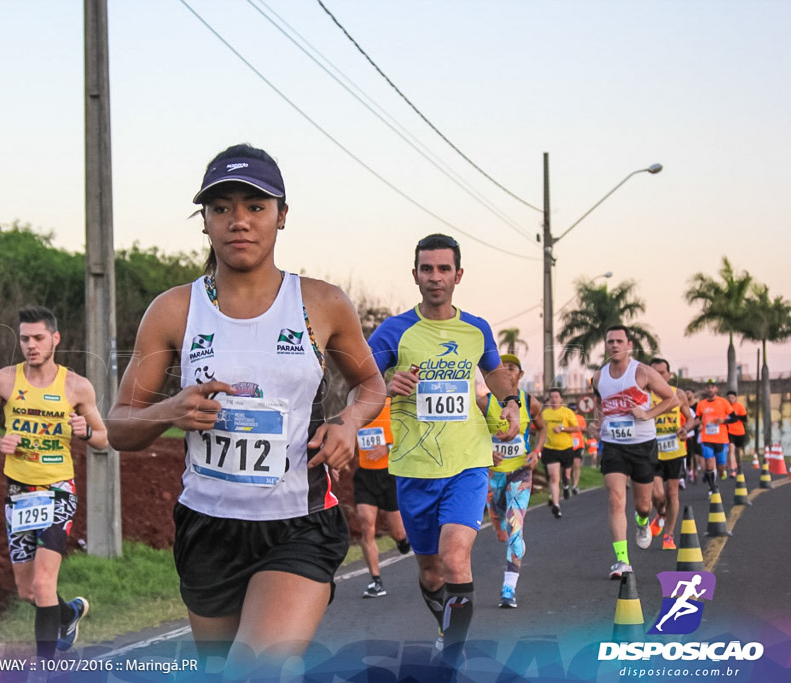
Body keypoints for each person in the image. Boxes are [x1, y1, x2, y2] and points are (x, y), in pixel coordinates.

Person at [105, 144, 386, 671]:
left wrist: (349, 422)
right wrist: (171, 411)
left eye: (255, 206)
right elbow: (119, 426)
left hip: (299, 522)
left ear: (282, 216)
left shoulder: (321, 303)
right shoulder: (174, 309)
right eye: (222, 208)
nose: (239, 221)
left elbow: (370, 384)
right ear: (205, 222)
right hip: (208, 527)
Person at [368, 233, 520, 658]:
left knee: (456, 561)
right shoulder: (393, 330)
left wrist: (510, 403)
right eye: (427, 269)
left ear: (458, 274)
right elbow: (357, 382)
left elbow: (493, 373)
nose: (435, 277)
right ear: (415, 274)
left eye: (444, 269)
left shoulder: (476, 329)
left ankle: (452, 653)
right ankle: (444, 627)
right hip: (414, 468)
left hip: (467, 462)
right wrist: (386, 384)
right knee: (432, 573)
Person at [0, 306, 108, 660]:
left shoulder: (77, 386)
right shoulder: (3, 380)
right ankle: (69, 613)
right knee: (28, 590)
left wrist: (86, 430)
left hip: (58, 490)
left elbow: (104, 439)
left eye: (38, 338)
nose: (31, 345)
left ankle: (44, 669)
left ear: (54, 339)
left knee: (45, 583)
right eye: (25, 339)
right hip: (18, 491)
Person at [590, 325, 677, 579]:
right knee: (616, 499)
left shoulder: (642, 372)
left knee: (642, 505)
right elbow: (599, 404)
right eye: (610, 341)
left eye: (619, 341)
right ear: (606, 346)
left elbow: (671, 398)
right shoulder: (599, 377)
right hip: (613, 445)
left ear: (629, 345)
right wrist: (597, 422)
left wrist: (647, 413)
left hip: (642, 444)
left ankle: (642, 522)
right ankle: (622, 561)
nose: (614, 345)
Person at [478, 353, 546, 609]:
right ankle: (500, 522)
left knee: (515, 528)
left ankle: (508, 590)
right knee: (501, 529)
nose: (507, 371)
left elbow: (543, 428)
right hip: (492, 475)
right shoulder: (484, 402)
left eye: (512, 368)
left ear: (520, 374)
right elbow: (469, 430)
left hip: (520, 471)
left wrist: (536, 451)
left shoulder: (530, 402)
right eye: (502, 368)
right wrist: (485, 451)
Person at [353, 397, 411, 599]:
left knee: (398, 531)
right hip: (365, 475)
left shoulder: (392, 404)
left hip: (389, 474)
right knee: (366, 524)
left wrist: (386, 447)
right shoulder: (356, 405)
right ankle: (375, 580)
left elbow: (408, 435)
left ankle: (403, 540)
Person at [648, 358, 695, 551]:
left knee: (672, 492)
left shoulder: (679, 394)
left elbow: (691, 418)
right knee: (658, 495)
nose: (659, 376)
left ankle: (669, 535)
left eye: (662, 372)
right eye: (654, 372)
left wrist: (685, 428)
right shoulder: (643, 396)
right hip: (652, 450)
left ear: (668, 375)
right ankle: (661, 513)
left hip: (675, 450)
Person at [539, 389, 579, 518]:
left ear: (561, 399)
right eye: (552, 397)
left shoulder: (567, 412)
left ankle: (566, 485)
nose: (554, 399)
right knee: (554, 477)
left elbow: (576, 428)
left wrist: (562, 429)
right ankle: (556, 505)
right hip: (550, 448)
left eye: (556, 397)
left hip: (566, 448)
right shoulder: (545, 413)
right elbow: (539, 429)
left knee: (566, 474)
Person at [694, 380, 734, 493]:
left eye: (712, 387)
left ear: (716, 389)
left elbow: (734, 418)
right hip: (706, 438)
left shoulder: (724, 402)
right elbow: (697, 418)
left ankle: (721, 471)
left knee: (721, 467)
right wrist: (696, 425)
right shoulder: (701, 404)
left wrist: (724, 420)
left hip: (721, 439)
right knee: (709, 464)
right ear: (705, 390)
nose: (710, 389)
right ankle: (712, 488)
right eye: (708, 387)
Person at [725, 390, 749, 477]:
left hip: (739, 431)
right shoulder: (725, 407)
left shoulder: (740, 406)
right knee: (731, 449)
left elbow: (745, 419)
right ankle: (732, 470)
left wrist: (736, 415)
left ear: (735, 398)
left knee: (738, 451)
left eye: (732, 398)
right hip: (729, 431)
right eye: (729, 398)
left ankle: (739, 466)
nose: (730, 399)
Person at [567, 402, 588, 497]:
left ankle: (575, 485)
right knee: (569, 466)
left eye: (574, 410)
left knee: (577, 464)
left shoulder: (581, 418)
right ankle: (570, 484)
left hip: (578, 444)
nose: (573, 412)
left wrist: (580, 428)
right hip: (567, 444)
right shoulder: (565, 418)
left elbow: (584, 429)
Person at [684, 389, 703, 485]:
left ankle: (695, 470)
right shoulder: (683, 406)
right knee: (689, 454)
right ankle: (690, 471)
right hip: (687, 431)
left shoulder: (697, 406)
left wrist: (699, 425)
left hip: (695, 431)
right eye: (685, 393)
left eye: (688, 393)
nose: (687, 394)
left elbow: (700, 417)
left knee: (696, 454)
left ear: (693, 394)